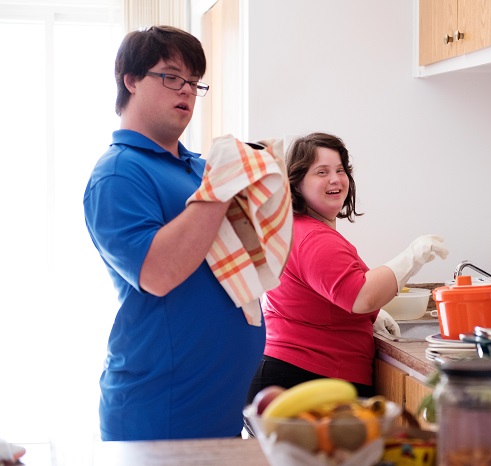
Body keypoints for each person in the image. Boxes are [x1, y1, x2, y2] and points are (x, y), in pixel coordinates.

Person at [83, 26, 265, 441]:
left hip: (220, 406)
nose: (185, 91)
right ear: (130, 80)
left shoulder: (200, 169)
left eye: (193, 82)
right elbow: (157, 273)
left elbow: (247, 261)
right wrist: (222, 188)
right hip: (159, 411)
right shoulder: (117, 173)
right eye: (170, 76)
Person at [246, 132, 448, 403]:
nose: (335, 179)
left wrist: (373, 316)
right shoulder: (313, 238)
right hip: (305, 379)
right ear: (296, 184)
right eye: (321, 171)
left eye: (340, 170)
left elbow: (329, 294)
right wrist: (413, 256)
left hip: (289, 374)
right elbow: (361, 296)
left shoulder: (296, 230)